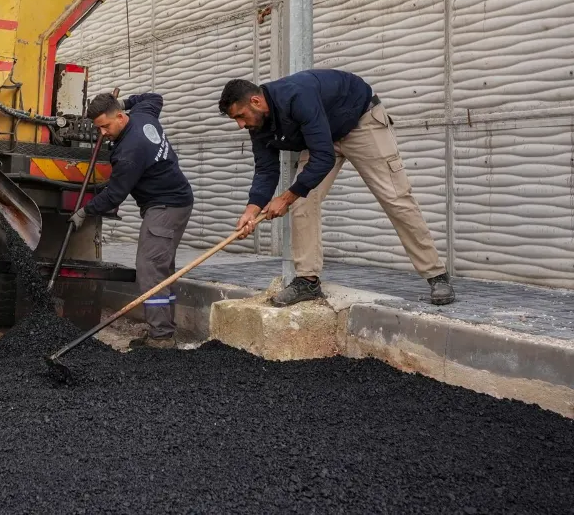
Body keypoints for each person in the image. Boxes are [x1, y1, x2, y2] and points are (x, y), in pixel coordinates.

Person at [219, 69, 455, 307]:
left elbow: (323, 159)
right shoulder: (257, 124)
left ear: (256, 101)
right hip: (322, 135)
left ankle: (436, 275)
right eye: (236, 120)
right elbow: (266, 169)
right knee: (303, 200)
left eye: (241, 116)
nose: (240, 124)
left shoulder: (297, 96)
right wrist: (252, 209)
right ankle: (307, 281)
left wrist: (286, 197)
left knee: (395, 198)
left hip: (360, 122)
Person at [70, 93, 194, 348]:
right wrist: (126, 102)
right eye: (98, 128)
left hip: (165, 206)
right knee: (161, 269)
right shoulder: (144, 114)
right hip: (175, 201)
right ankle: (164, 331)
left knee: (150, 269)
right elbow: (156, 98)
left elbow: (114, 195)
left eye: (106, 126)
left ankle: (161, 338)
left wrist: (84, 211)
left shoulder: (129, 152)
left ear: (120, 116)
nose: (103, 133)